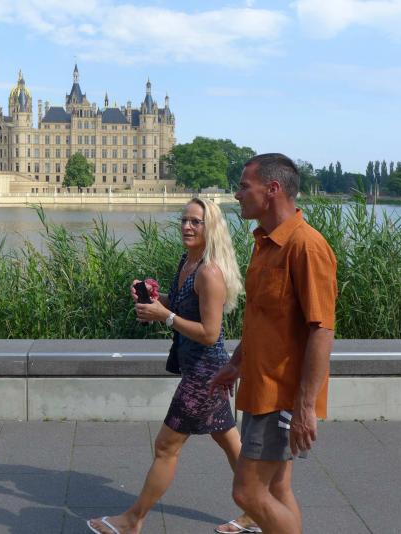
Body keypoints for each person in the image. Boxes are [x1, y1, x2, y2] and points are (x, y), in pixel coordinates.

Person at [88, 198, 260, 534]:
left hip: (204, 374)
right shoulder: (187, 262)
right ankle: (257, 511)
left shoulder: (209, 272)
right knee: (229, 442)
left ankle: (133, 520)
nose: (187, 227)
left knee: (166, 447)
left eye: (196, 221)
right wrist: (154, 299)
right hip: (202, 369)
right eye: (184, 220)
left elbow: (210, 334)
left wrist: (164, 316)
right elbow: (181, 305)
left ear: (211, 228)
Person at [209, 153, 338, 534]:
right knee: (277, 488)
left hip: (281, 395)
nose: (237, 194)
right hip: (260, 387)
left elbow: (321, 330)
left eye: (244, 187)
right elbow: (263, 319)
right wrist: (236, 363)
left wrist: (304, 407)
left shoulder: (306, 246)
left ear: (273, 189)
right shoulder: (265, 244)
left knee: (248, 493)